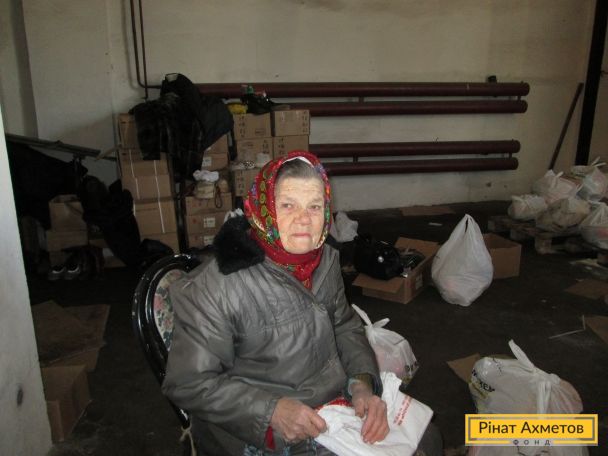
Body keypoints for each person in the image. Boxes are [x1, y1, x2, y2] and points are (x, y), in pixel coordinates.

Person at [162, 151, 439, 455]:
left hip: (332, 406)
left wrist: (361, 384)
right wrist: (271, 411)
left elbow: (345, 326)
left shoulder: (323, 260)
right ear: (264, 209)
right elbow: (188, 383)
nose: (304, 219)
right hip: (266, 431)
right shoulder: (217, 286)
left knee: (428, 438)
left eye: (315, 206)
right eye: (288, 205)